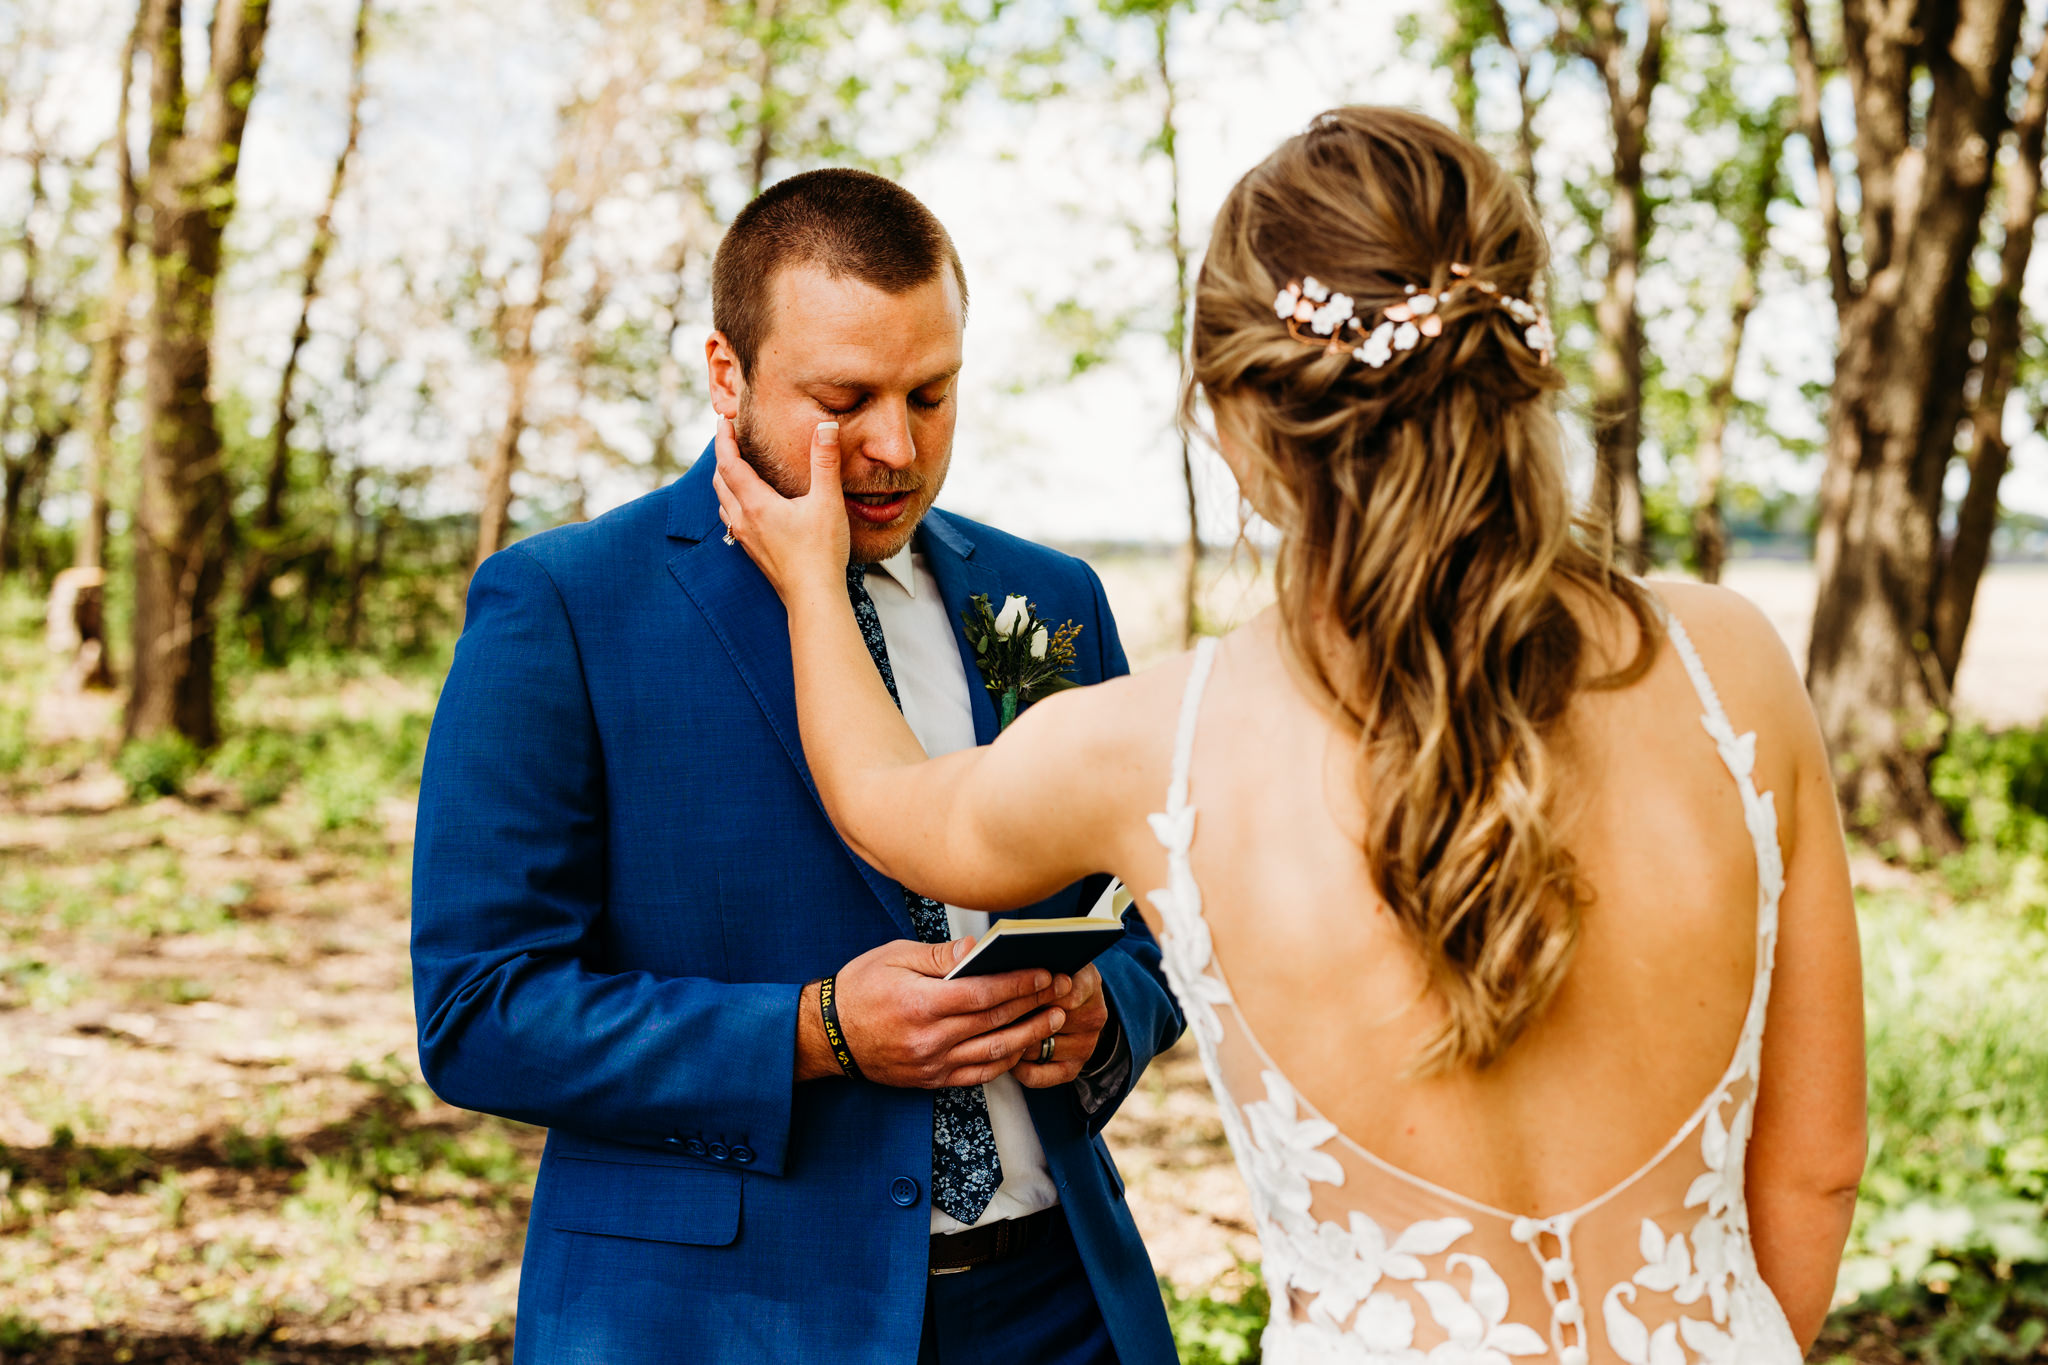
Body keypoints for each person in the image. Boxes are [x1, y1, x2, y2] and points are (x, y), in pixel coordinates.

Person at [713, 107, 1868, 1364]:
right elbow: (1814, 1172)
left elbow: (891, 802)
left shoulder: (1158, 743)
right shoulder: (1727, 664)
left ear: (1235, 423)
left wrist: (814, 587)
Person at [411, 168, 1184, 1365]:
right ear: (727, 374)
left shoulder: (1049, 600)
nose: (895, 445)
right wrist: (814, 1030)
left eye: (932, 394)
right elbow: (478, 1011)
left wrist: (1104, 1015)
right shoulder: (564, 606)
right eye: (844, 398)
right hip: (722, 1323)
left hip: (1058, 1309)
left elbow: (1148, 924)